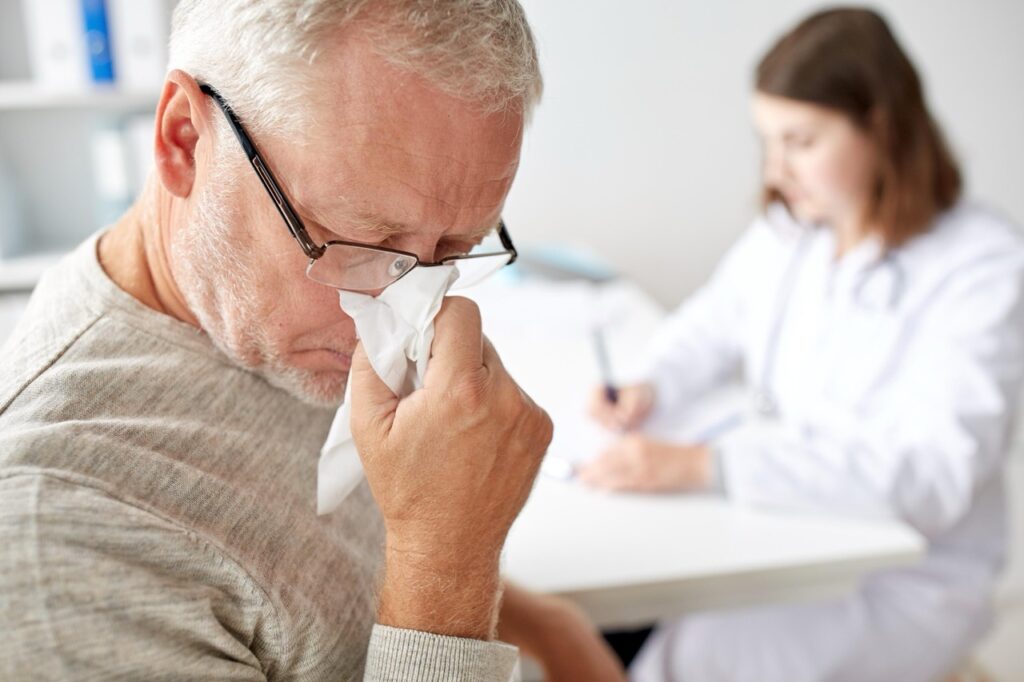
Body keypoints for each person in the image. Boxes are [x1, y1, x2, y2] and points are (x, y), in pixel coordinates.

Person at [0, 1, 626, 680]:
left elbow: (341, 570)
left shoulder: (253, 314)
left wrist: (548, 625)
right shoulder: (56, 536)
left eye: (455, 248)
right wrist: (447, 558)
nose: (399, 305)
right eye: (359, 241)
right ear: (184, 140)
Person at [584, 7, 1024, 681]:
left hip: (904, 575)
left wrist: (706, 466)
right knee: (619, 608)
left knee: (692, 662)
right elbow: (711, 323)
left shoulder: (983, 265)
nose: (777, 168)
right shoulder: (795, 229)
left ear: (881, 126)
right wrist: (653, 383)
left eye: (801, 141)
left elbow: (932, 475)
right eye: (768, 141)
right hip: (793, 525)